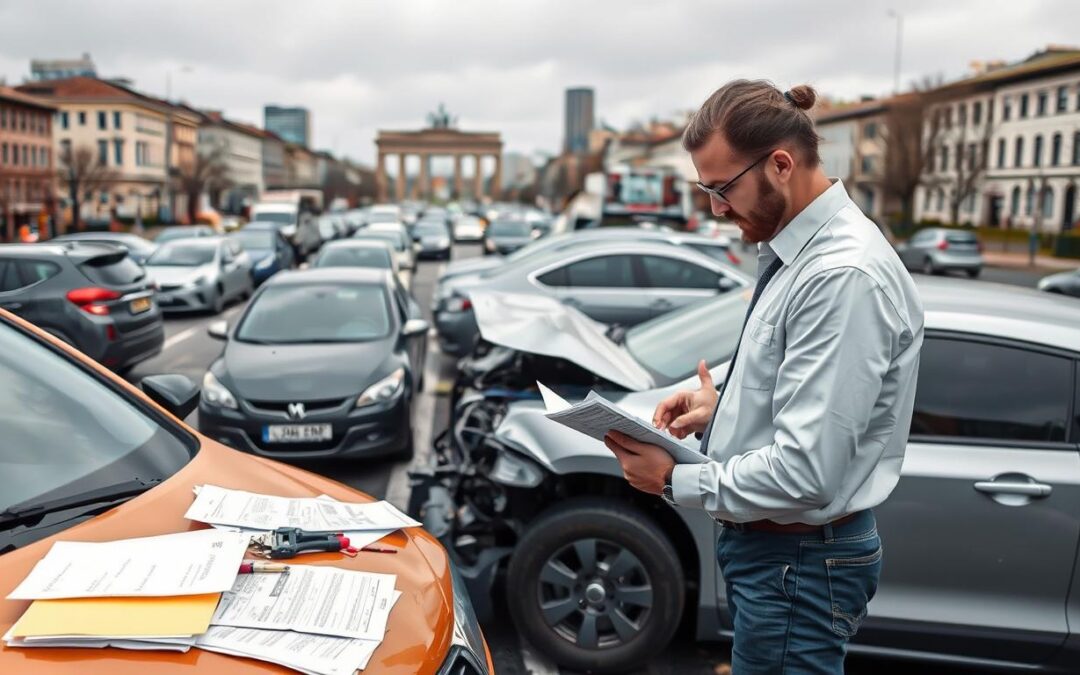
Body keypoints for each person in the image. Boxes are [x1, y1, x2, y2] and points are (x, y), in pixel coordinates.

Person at [603, 80, 925, 674]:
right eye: (706, 189)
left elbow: (807, 473)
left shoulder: (840, 276)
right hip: (785, 557)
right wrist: (722, 406)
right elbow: (802, 386)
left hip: (797, 559)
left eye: (722, 188)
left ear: (780, 164)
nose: (715, 209)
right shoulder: (803, 251)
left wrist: (675, 481)